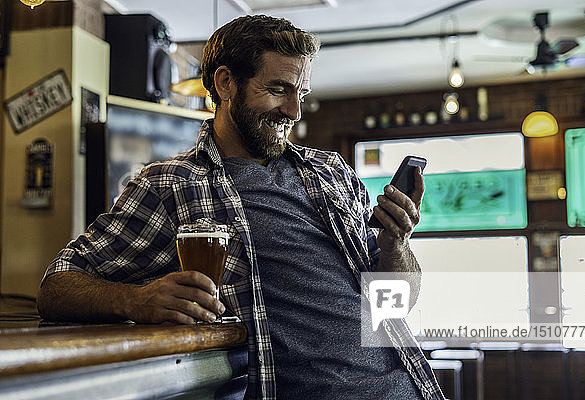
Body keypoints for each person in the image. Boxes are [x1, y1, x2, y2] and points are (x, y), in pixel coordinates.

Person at [38, 15, 444, 400]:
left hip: (414, 386)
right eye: (278, 90)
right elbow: (56, 286)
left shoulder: (331, 172)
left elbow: (396, 303)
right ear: (226, 83)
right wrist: (137, 300)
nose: (295, 112)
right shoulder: (172, 184)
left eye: (300, 93)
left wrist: (396, 243)